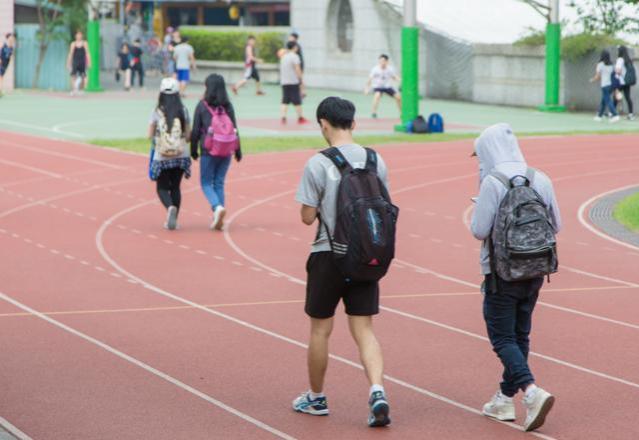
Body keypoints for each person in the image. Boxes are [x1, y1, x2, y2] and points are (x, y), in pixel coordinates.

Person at [293, 96, 391, 428]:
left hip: (328, 254)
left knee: (321, 330)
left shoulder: (318, 163)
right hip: (366, 255)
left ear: (323, 124)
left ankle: (316, 398)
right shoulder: (377, 160)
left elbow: (307, 217)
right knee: (364, 329)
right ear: (353, 122)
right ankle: (377, 390)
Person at [470, 123, 561, 433]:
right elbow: (557, 225)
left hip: (501, 273)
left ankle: (531, 392)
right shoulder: (541, 178)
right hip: (535, 270)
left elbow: (479, 230)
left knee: (502, 338)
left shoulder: (493, 182)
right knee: (520, 336)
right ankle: (504, 399)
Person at [191, 74, 243, 231]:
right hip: (226, 149)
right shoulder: (228, 106)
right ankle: (218, 214)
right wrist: (238, 149)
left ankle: (217, 207)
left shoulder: (202, 105)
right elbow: (234, 128)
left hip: (209, 150)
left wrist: (193, 149)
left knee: (206, 183)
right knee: (219, 182)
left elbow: (195, 131)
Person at [148, 77, 192, 230]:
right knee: (176, 187)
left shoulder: (156, 111)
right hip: (181, 155)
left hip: (163, 155)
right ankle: (175, 219)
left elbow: (149, 135)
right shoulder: (184, 110)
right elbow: (188, 135)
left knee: (161, 187)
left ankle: (169, 208)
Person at [365, 54, 401, 119]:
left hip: (387, 87)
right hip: (377, 87)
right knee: (377, 95)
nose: (382, 63)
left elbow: (394, 77)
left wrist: (400, 80)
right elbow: (370, 79)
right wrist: (366, 88)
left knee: (398, 97)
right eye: (380, 61)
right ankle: (374, 112)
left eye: (383, 61)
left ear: (387, 61)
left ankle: (402, 113)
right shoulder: (375, 69)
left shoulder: (390, 69)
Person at [280, 41, 308, 124]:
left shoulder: (283, 57)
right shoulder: (295, 57)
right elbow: (297, 69)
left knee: (285, 100)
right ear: (294, 47)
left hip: (284, 82)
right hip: (293, 81)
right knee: (297, 101)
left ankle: (283, 117)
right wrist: (301, 80)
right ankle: (300, 117)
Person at [590, 50, 619, 123]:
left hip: (605, 85)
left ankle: (615, 115)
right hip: (611, 85)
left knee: (608, 100)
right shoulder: (612, 65)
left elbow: (598, 76)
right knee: (603, 101)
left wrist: (592, 80)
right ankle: (599, 116)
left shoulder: (600, 64)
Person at [66, 31, 91, 95]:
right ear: (75, 36)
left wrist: (89, 62)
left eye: (80, 35)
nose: (79, 36)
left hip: (82, 62)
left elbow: (87, 53)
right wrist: (68, 63)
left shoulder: (85, 43)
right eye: (77, 35)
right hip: (75, 62)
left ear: (82, 36)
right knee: (73, 76)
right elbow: (70, 54)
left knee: (83, 76)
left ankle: (81, 90)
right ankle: (74, 90)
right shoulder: (73, 44)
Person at [615, 46, 635, 120]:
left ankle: (613, 113)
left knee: (616, 96)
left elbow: (618, 71)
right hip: (627, 82)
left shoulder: (620, 59)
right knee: (627, 97)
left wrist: (615, 74)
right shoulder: (628, 60)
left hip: (620, 81)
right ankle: (631, 114)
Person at [288, 32, 306, 97]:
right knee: (298, 79)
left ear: (294, 38)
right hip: (296, 64)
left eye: (291, 37)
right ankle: (301, 92)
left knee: (299, 78)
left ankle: (302, 92)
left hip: (298, 65)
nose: (289, 38)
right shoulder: (293, 45)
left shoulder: (296, 46)